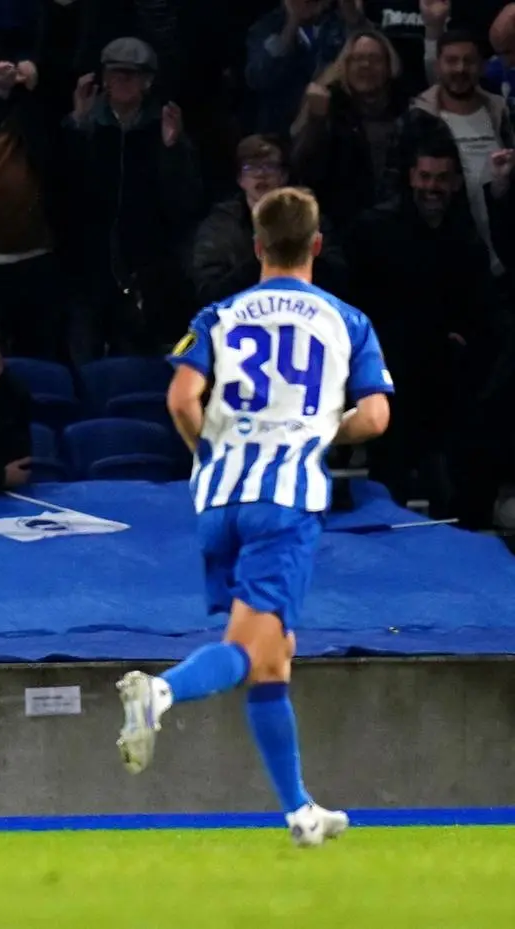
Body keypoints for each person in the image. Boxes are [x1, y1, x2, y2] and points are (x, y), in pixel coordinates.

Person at [113, 187, 393, 848]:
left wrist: (211, 453)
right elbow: (376, 417)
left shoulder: (218, 313)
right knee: (247, 648)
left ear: (257, 246)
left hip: (217, 500)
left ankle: (298, 809)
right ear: (316, 246)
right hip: (283, 501)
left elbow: (182, 397)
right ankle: (158, 693)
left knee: (273, 656)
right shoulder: (345, 321)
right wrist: (320, 429)